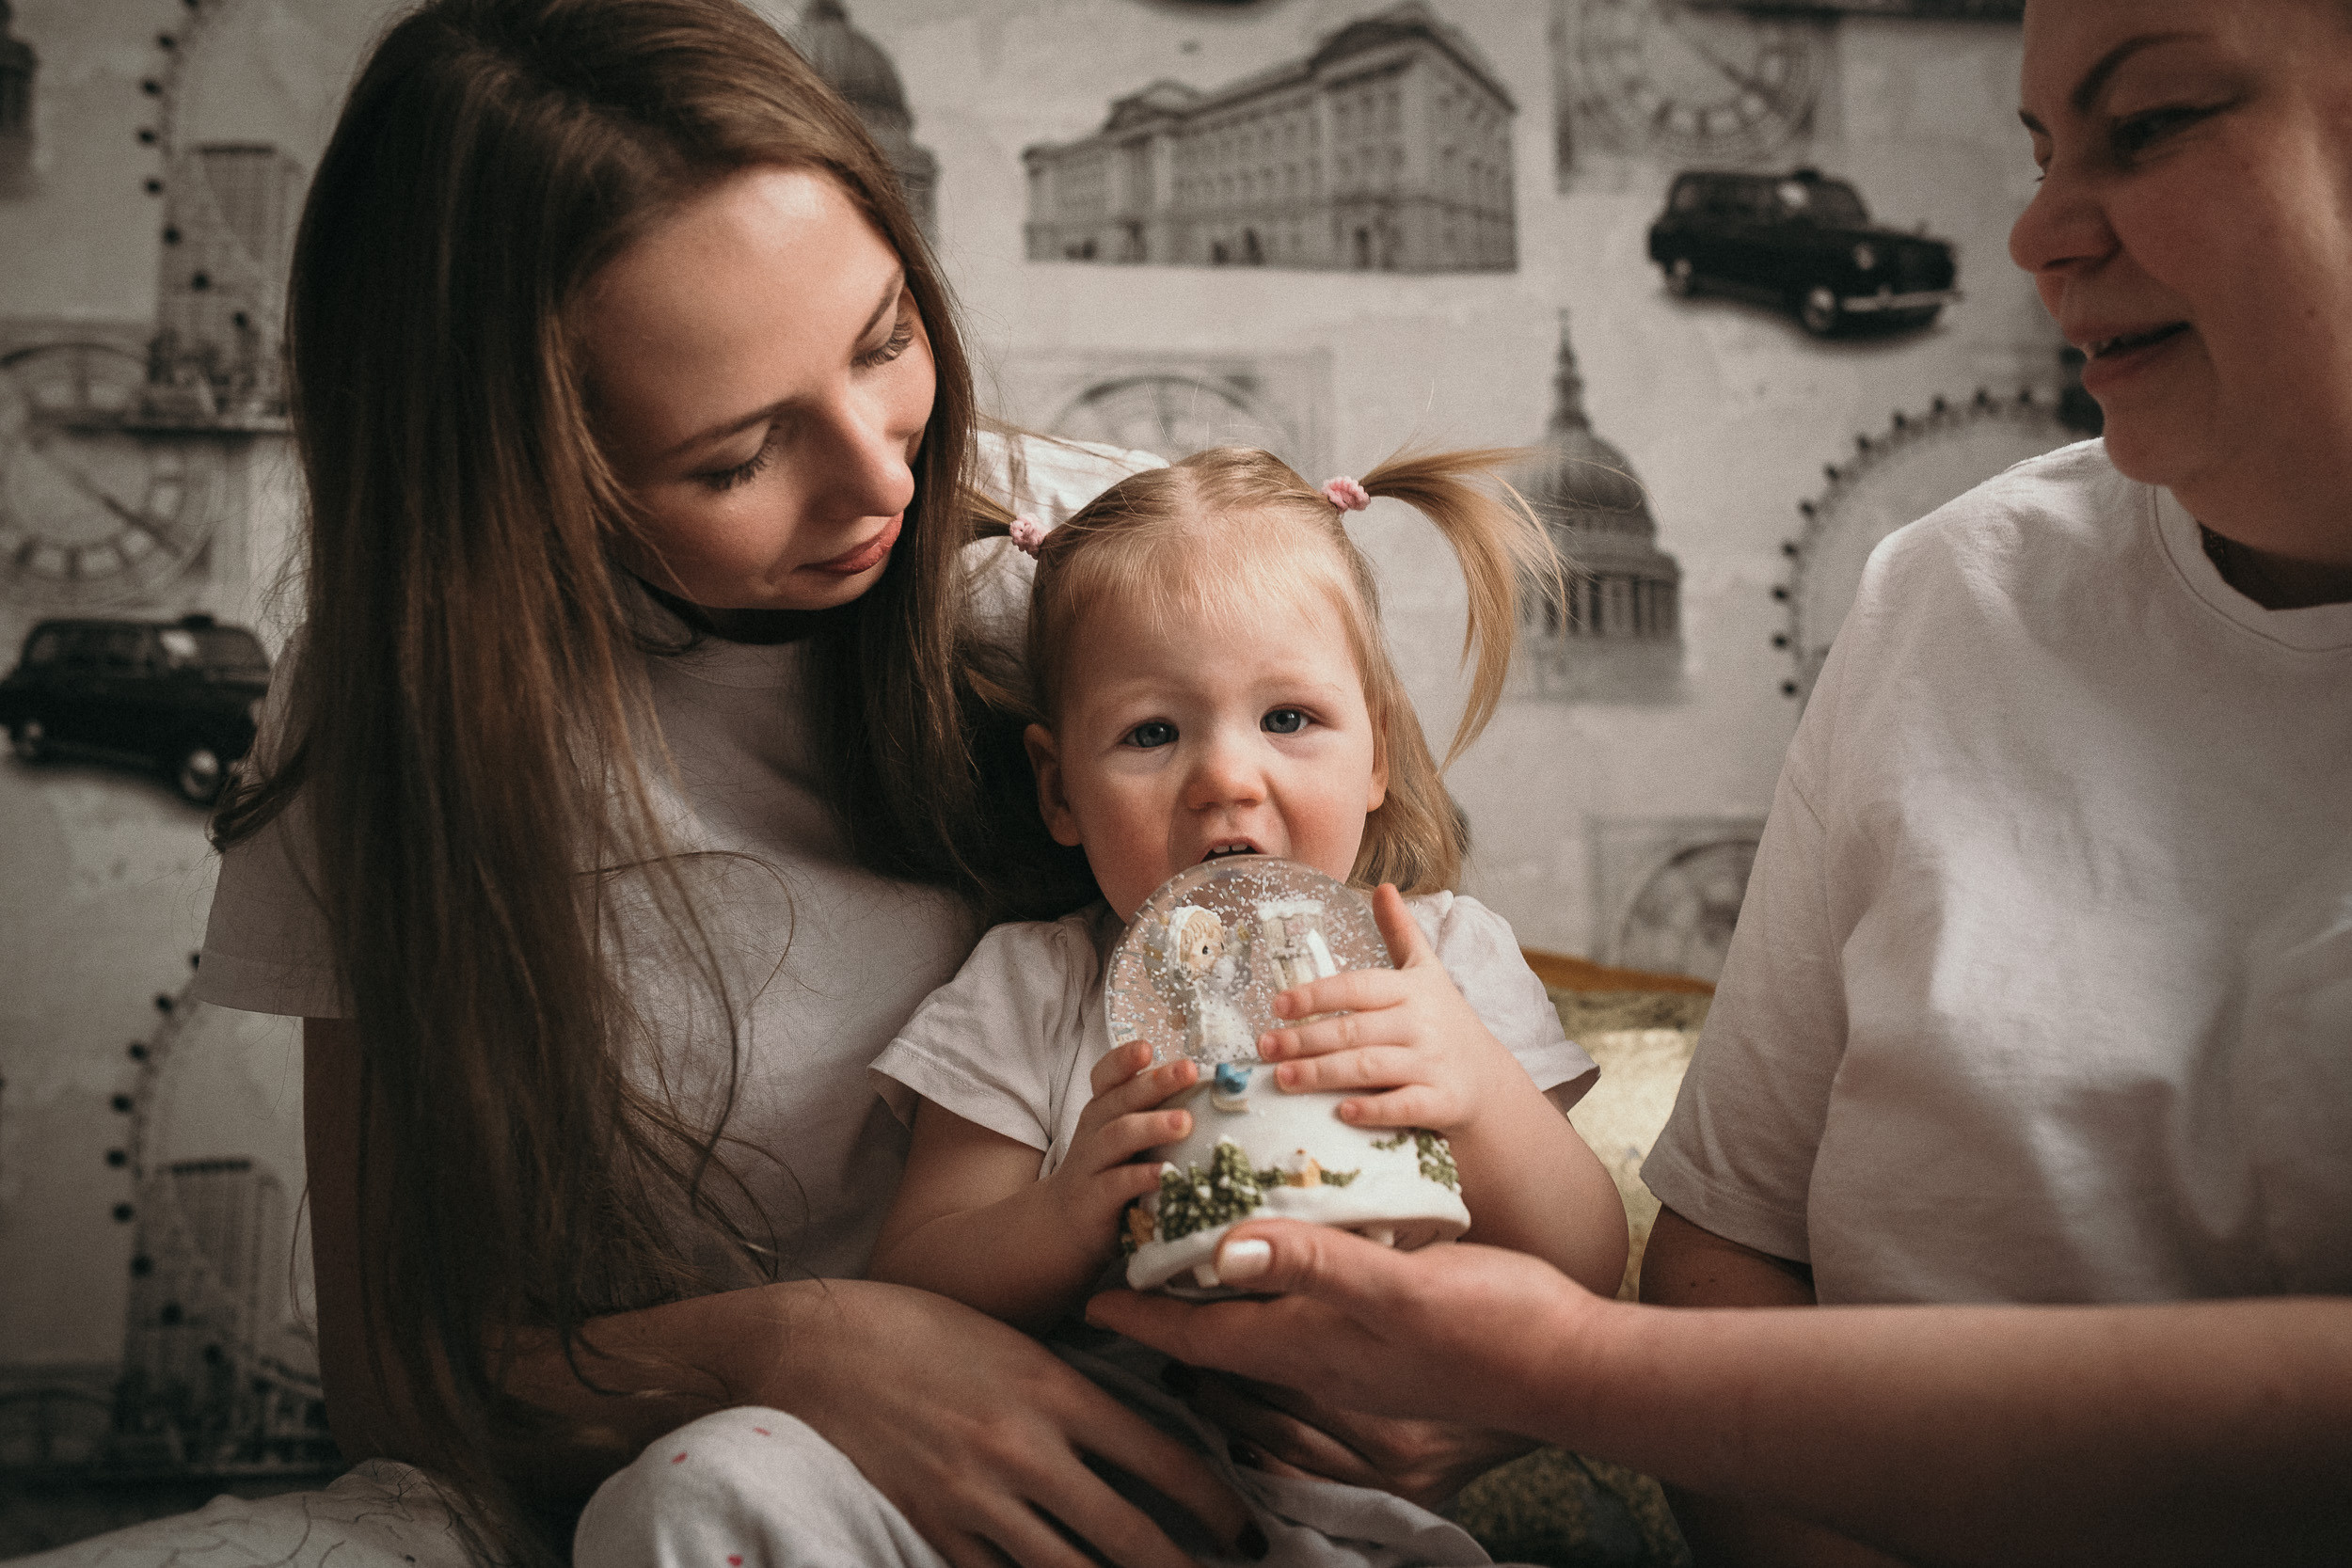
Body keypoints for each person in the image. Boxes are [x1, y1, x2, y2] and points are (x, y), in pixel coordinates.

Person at [1090, 2, 2352, 1564]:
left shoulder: (1428, 962)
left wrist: (1561, 1365)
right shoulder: (1947, 591)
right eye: (2036, 149)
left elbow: (1584, 1279)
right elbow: (1723, 1238)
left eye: (2148, 121)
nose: (2029, 229)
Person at [123, 3, 1267, 1566]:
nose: (885, 477)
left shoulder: (1092, 567)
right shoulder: (393, 703)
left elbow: (1381, 1003)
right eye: (735, 459)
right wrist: (793, 1347)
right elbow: (405, 1372)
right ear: (520, 483)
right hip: (658, 1492)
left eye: (887, 341)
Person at [845, 450, 1625, 1563]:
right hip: (1075, 1497)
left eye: (1290, 717)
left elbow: (1584, 1256)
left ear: (1379, 755)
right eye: (1153, 733)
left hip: (1357, 1506)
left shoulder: (1438, 958)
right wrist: (1068, 1208)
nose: (1225, 777)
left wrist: (1476, 1085)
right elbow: (912, 1278)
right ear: (1059, 787)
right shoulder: (1035, 985)